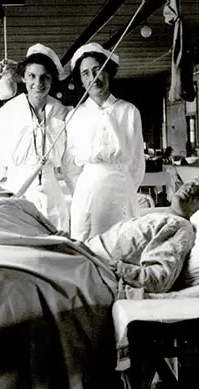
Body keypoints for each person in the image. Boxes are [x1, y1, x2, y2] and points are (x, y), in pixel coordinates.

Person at [63, 42, 145, 241]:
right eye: (86, 74)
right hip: (88, 192)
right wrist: (85, 190)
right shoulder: (75, 115)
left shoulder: (128, 111)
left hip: (121, 190)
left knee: (123, 242)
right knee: (89, 244)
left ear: (108, 72)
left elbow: (136, 163)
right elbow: (70, 167)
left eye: (98, 70)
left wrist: (124, 188)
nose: (93, 79)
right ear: (81, 80)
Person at [0, 44, 70, 232]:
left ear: (51, 80)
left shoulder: (61, 112)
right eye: (32, 76)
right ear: (23, 77)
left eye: (45, 77)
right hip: (18, 189)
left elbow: (70, 161)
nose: (38, 83)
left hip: (52, 194)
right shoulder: (9, 112)